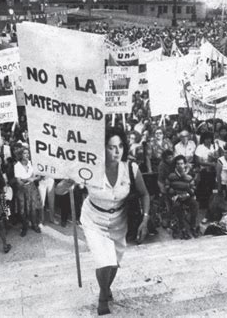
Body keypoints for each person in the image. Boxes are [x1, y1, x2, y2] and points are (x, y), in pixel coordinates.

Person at [80, 127, 150, 315]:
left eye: (120, 146)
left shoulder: (130, 168)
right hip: (93, 218)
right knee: (104, 260)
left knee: (115, 262)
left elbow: (144, 194)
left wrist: (145, 219)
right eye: (111, 147)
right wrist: (67, 183)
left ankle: (106, 287)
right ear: (102, 148)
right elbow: (61, 191)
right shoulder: (89, 167)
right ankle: (103, 297)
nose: (117, 151)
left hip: (120, 219)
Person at [12, 147, 42, 236]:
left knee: (33, 208)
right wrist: (28, 179)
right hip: (22, 190)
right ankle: (24, 227)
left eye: (28, 153)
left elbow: (36, 176)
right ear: (21, 155)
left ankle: (34, 225)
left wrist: (34, 178)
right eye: (25, 153)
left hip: (32, 188)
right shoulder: (17, 166)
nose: (27, 155)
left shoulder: (30, 163)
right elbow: (19, 181)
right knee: (23, 209)